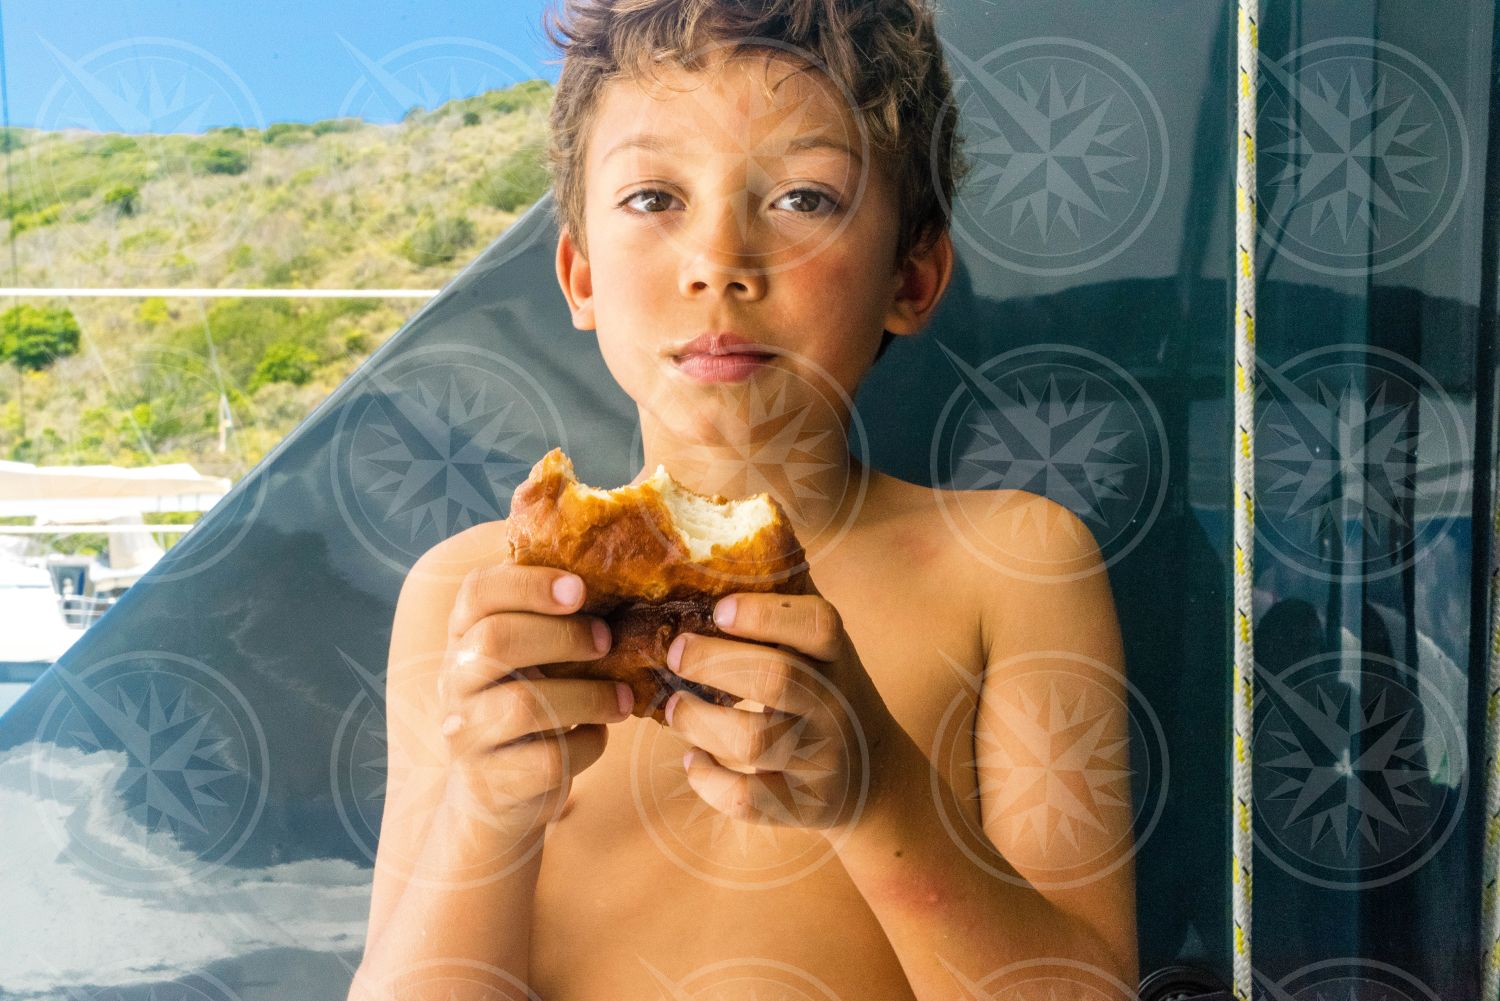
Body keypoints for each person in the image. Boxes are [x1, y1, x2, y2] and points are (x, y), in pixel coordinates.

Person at [350, 1, 1138, 997]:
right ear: (580, 273)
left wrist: (880, 792)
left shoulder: (1012, 562)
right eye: (651, 198)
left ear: (912, 273)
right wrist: (482, 810)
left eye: (805, 197)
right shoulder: (468, 593)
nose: (718, 260)